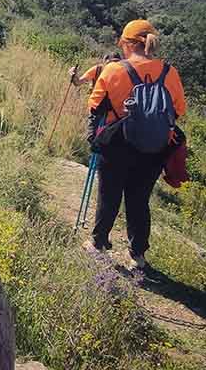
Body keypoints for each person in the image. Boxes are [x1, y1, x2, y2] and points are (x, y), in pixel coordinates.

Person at [79, 20, 187, 269]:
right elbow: (178, 110)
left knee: (109, 195)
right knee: (139, 200)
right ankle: (137, 255)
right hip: (155, 147)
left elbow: (94, 107)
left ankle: (98, 244)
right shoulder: (170, 73)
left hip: (118, 145)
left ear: (127, 44)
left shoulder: (114, 70)